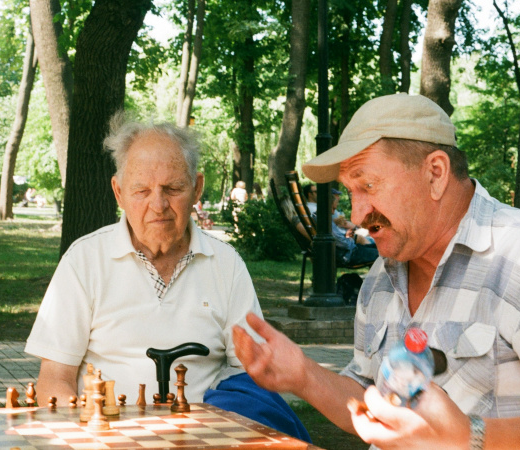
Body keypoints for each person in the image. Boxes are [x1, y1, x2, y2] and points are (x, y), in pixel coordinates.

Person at [233, 93, 520, 449]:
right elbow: (368, 399)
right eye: (350, 191)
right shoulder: (382, 277)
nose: (358, 215)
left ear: (436, 173)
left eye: (368, 185)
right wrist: (302, 375)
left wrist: (468, 438)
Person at [25, 115, 310, 441]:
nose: (158, 205)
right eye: (141, 190)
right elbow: (54, 378)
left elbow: (251, 376)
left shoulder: (226, 264)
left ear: (197, 188)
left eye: (173, 188)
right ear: (118, 192)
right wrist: (92, 435)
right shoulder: (84, 261)